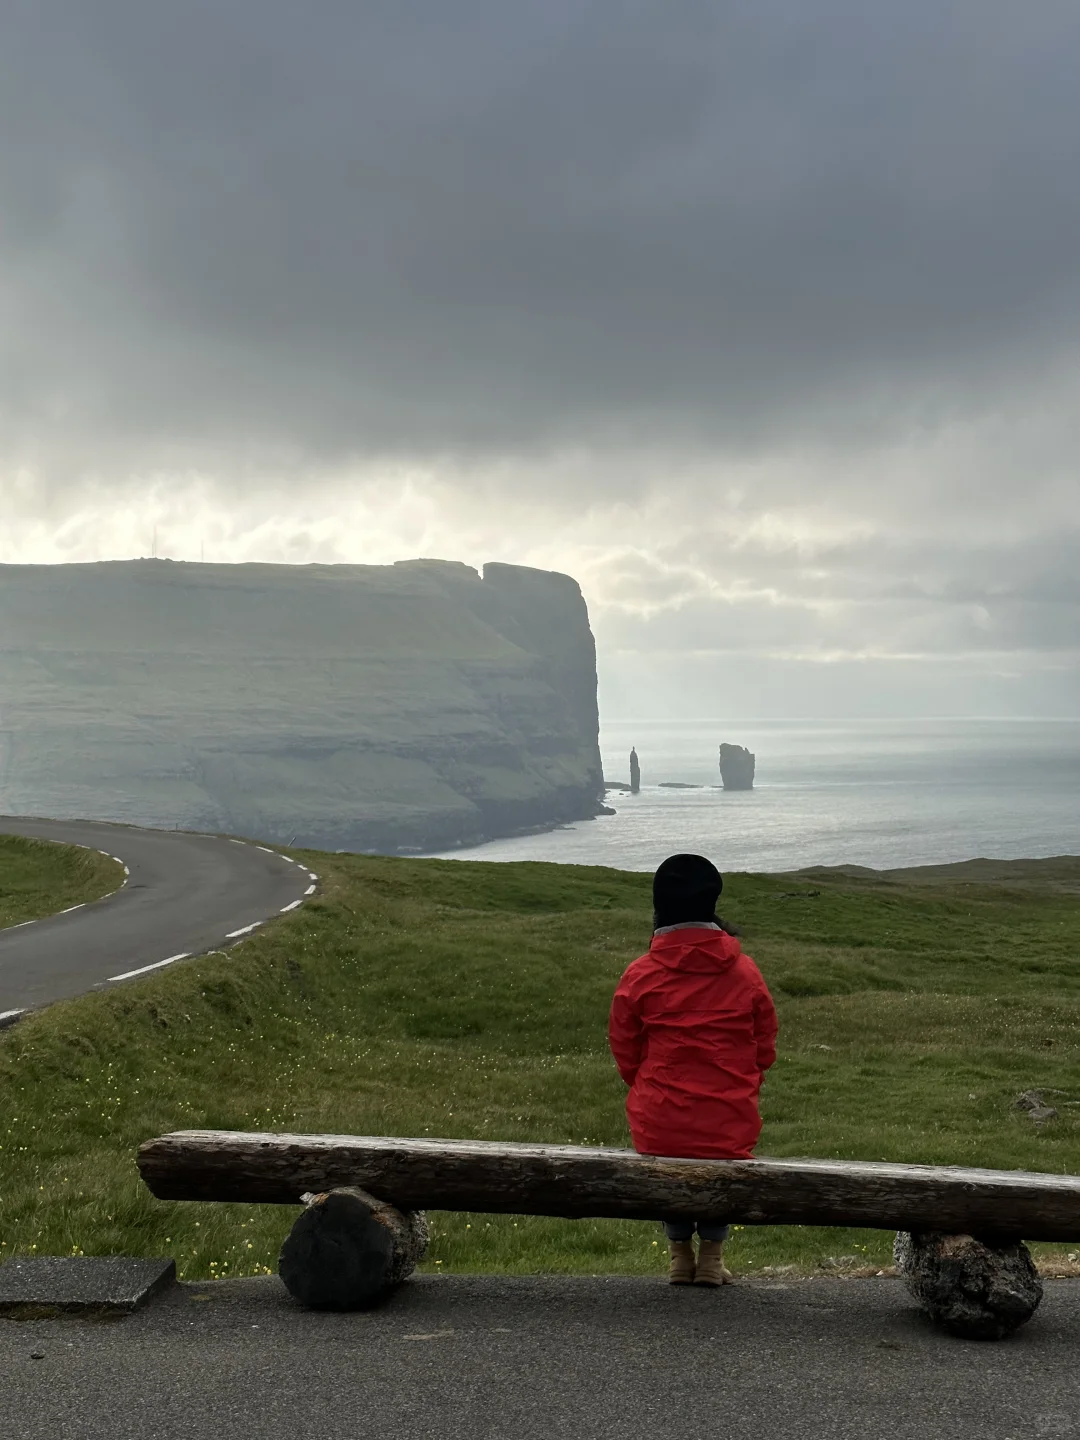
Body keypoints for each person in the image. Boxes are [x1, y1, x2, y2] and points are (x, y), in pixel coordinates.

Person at [608, 853, 778, 1287]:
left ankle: (680, 1254)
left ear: (659, 908)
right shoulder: (744, 971)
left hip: (659, 1117)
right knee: (721, 1159)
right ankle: (713, 1257)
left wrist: (648, 1085)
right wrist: (745, 1080)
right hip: (729, 1115)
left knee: (670, 1156)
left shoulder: (641, 974)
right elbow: (765, 1045)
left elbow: (625, 1048)